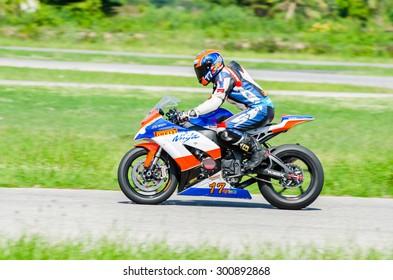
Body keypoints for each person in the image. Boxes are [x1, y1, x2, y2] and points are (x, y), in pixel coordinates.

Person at [180, 49, 275, 171]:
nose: (201, 73)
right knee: (216, 121)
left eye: (203, 69)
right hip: (256, 109)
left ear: (213, 66)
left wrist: (192, 113)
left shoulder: (224, 75)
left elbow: (216, 101)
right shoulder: (222, 76)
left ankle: (257, 151)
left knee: (224, 129)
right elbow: (212, 101)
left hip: (260, 109)